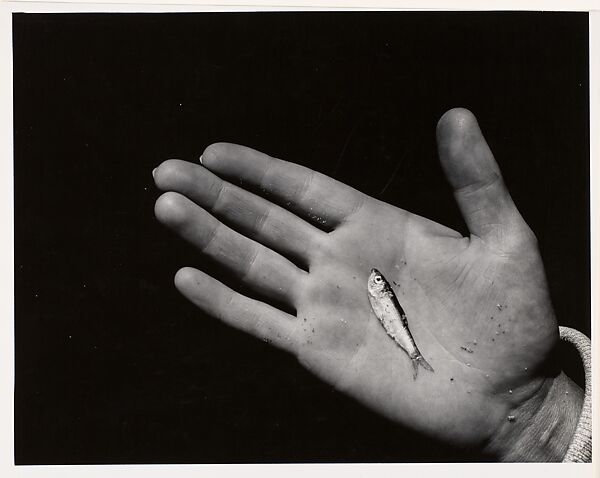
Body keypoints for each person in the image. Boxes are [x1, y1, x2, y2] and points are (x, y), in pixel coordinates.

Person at [152, 108, 591, 462]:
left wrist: (539, 411)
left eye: (378, 282)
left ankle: (416, 357)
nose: (376, 284)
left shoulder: (380, 291)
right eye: (379, 282)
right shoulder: (377, 289)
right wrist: (540, 421)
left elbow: (385, 305)